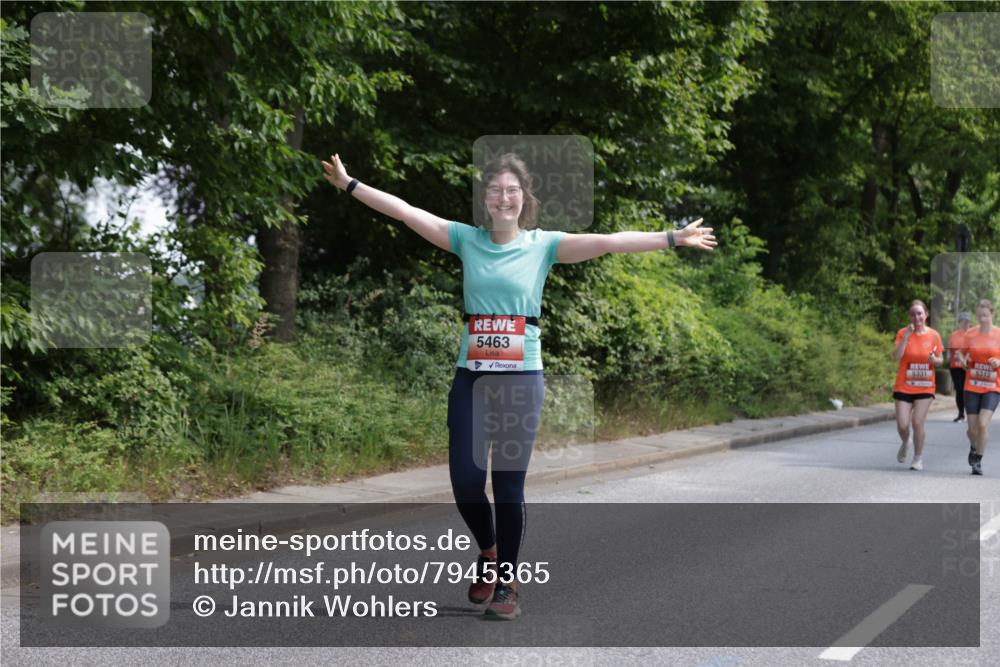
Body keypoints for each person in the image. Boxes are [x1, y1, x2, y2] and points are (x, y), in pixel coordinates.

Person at [321, 151, 716, 619]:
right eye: (495, 189)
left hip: (521, 379)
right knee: (467, 485)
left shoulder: (543, 245)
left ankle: (507, 581)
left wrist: (674, 237)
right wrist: (350, 184)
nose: (503, 197)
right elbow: (405, 210)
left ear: (523, 199)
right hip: (472, 377)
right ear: (484, 199)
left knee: (508, 488)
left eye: (512, 190)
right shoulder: (465, 240)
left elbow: (609, 241)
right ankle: (488, 554)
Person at [891, 300, 943, 471]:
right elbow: (896, 357)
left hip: (925, 386)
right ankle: (906, 441)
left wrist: (935, 360)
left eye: (919, 313)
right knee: (903, 425)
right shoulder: (902, 333)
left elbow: (941, 360)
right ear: (909, 316)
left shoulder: (934, 335)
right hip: (904, 385)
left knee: (917, 421)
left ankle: (918, 458)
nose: (916, 317)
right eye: (913, 314)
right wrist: (906, 337)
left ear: (926, 315)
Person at [958, 299, 1000, 476]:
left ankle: (978, 461)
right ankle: (974, 446)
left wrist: (998, 362)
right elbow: (961, 352)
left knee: (983, 424)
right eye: (979, 316)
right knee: (972, 429)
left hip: (992, 386)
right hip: (972, 385)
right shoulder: (970, 334)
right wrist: (962, 359)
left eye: (985, 316)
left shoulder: (999, 334)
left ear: (992, 314)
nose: (982, 319)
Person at [947, 312, 973, 422]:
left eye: (968, 321)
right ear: (959, 322)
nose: (966, 323)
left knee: (968, 390)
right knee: (959, 390)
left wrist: (966, 358)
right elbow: (949, 350)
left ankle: (971, 414)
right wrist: (949, 359)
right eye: (963, 321)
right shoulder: (954, 335)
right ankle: (961, 414)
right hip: (955, 367)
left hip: (969, 367)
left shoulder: (973, 335)